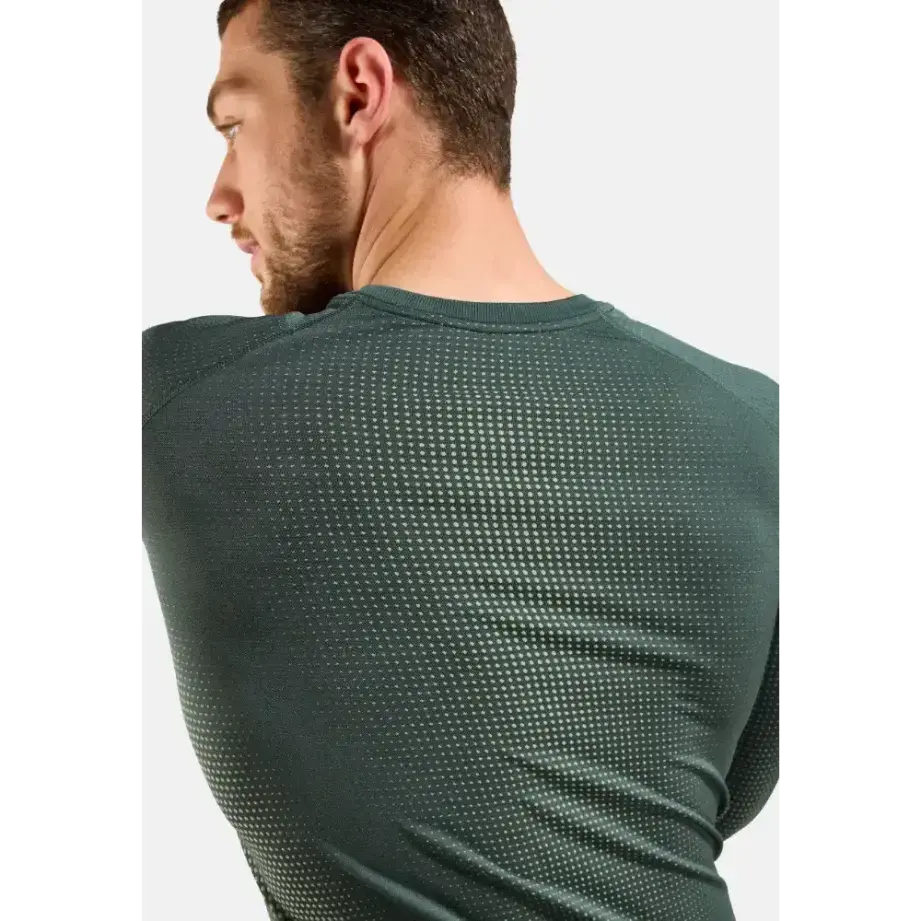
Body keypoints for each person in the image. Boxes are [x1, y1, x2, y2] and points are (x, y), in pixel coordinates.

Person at [136, 2, 782, 919]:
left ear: (358, 93)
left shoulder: (186, 397)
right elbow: (705, 799)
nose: (220, 195)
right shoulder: (762, 426)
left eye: (235, 125)